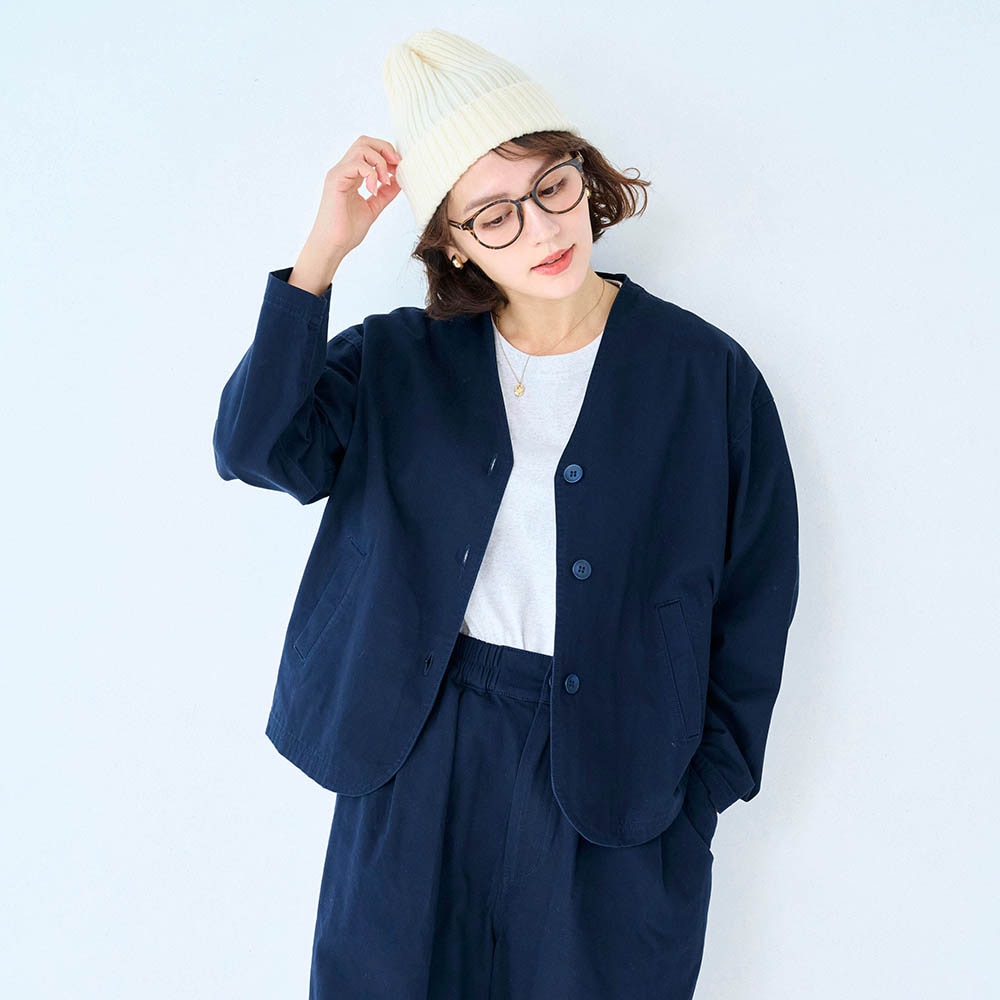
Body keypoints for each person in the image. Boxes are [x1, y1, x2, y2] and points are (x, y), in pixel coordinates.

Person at [213, 28, 799, 1000]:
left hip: (617, 760)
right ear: (451, 241)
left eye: (551, 186)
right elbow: (256, 448)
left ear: (582, 174)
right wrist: (322, 254)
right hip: (417, 743)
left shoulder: (706, 379)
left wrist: (700, 792)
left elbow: (755, 601)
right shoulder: (399, 360)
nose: (540, 229)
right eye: (493, 214)